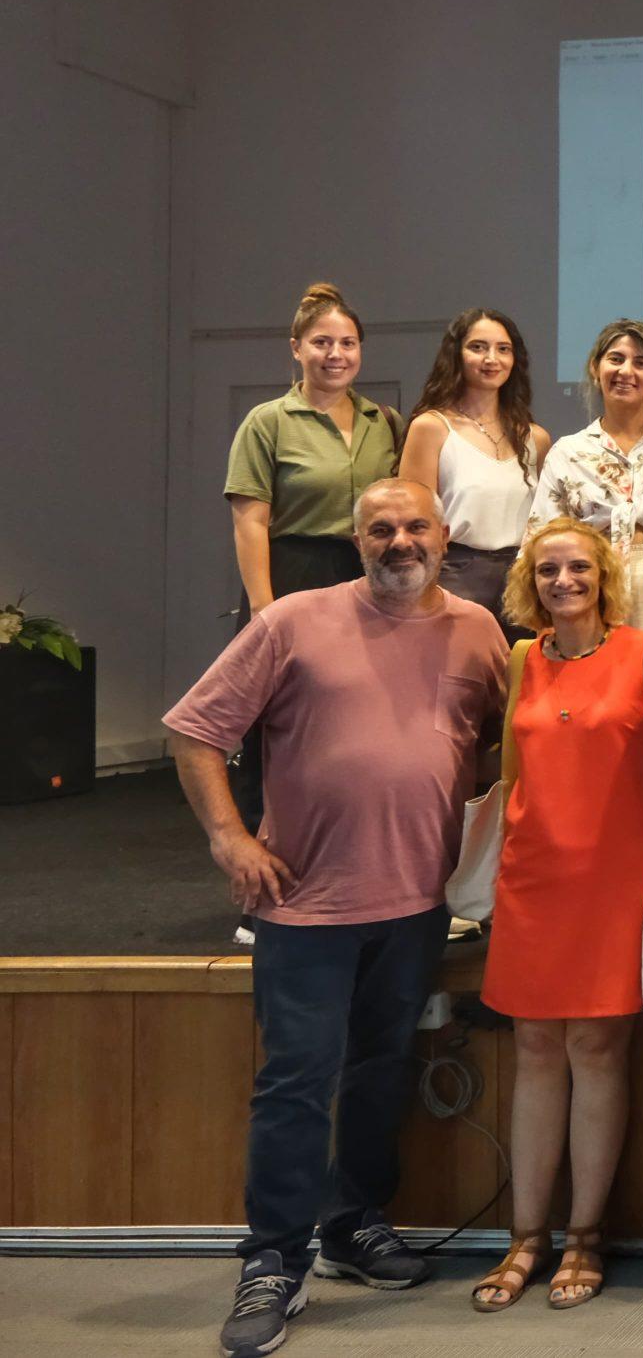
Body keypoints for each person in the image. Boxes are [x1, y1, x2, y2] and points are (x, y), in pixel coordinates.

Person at [165, 479, 505, 1358]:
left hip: (419, 906)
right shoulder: (293, 621)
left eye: (416, 525)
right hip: (305, 905)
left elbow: (503, 739)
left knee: (379, 1073)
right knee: (297, 1082)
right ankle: (274, 1261)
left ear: (445, 536)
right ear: (356, 541)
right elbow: (195, 731)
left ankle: (353, 1222)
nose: (400, 541)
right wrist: (229, 838)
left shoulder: (479, 631)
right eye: (380, 528)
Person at [472, 518, 643, 1314]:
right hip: (533, 878)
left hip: (617, 875)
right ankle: (525, 1236)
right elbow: (514, 770)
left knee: (596, 1046)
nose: (563, 581)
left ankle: (585, 1236)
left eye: (578, 568)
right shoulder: (522, 657)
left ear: (603, 576)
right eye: (548, 569)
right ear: (530, 580)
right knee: (535, 1047)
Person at [222, 281, 402, 874]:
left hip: (366, 579)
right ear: (295, 348)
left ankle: (351, 862)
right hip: (291, 574)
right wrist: (263, 608)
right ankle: (262, 874)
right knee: (276, 728)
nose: (336, 354)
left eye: (347, 343)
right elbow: (250, 521)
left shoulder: (385, 421)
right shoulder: (267, 422)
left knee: (357, 722)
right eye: (322, 342)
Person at [528, 318, 643, 634]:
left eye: (641, 363)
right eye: (616, 359)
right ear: (595, 368)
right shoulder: (568, 452)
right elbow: (540, 540)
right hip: (588, 598)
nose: (626, 371)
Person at [399, 307, 550, 622]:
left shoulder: (536, 438)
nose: (491, 358)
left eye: (503, 349)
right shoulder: (431, 427)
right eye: (478, 347)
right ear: (456, 355)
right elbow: (413, 521)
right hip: (454, 576)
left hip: (523, 581)